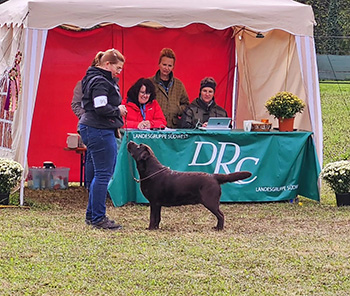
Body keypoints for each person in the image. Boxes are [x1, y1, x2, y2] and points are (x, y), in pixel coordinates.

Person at [79, 48, 127, 230]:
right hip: (98, 129)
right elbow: (101, 107)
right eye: (118, 68)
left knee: (98, 174)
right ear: (107, 64)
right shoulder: (100, 81)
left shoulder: (95, 77)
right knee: (103, 174)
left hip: (93, 128)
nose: (119, 72)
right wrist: (118, 111)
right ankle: (98, 217)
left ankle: (92, 215)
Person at [150, 48, 189, 128]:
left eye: (170, 66)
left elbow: (186, 104)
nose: (166, 68)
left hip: (173, 127)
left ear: (173, 67)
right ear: (159, 64)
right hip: (154, 126)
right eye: (164, 64)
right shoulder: (150, 83)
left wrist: (177, 109)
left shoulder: (179, 85)